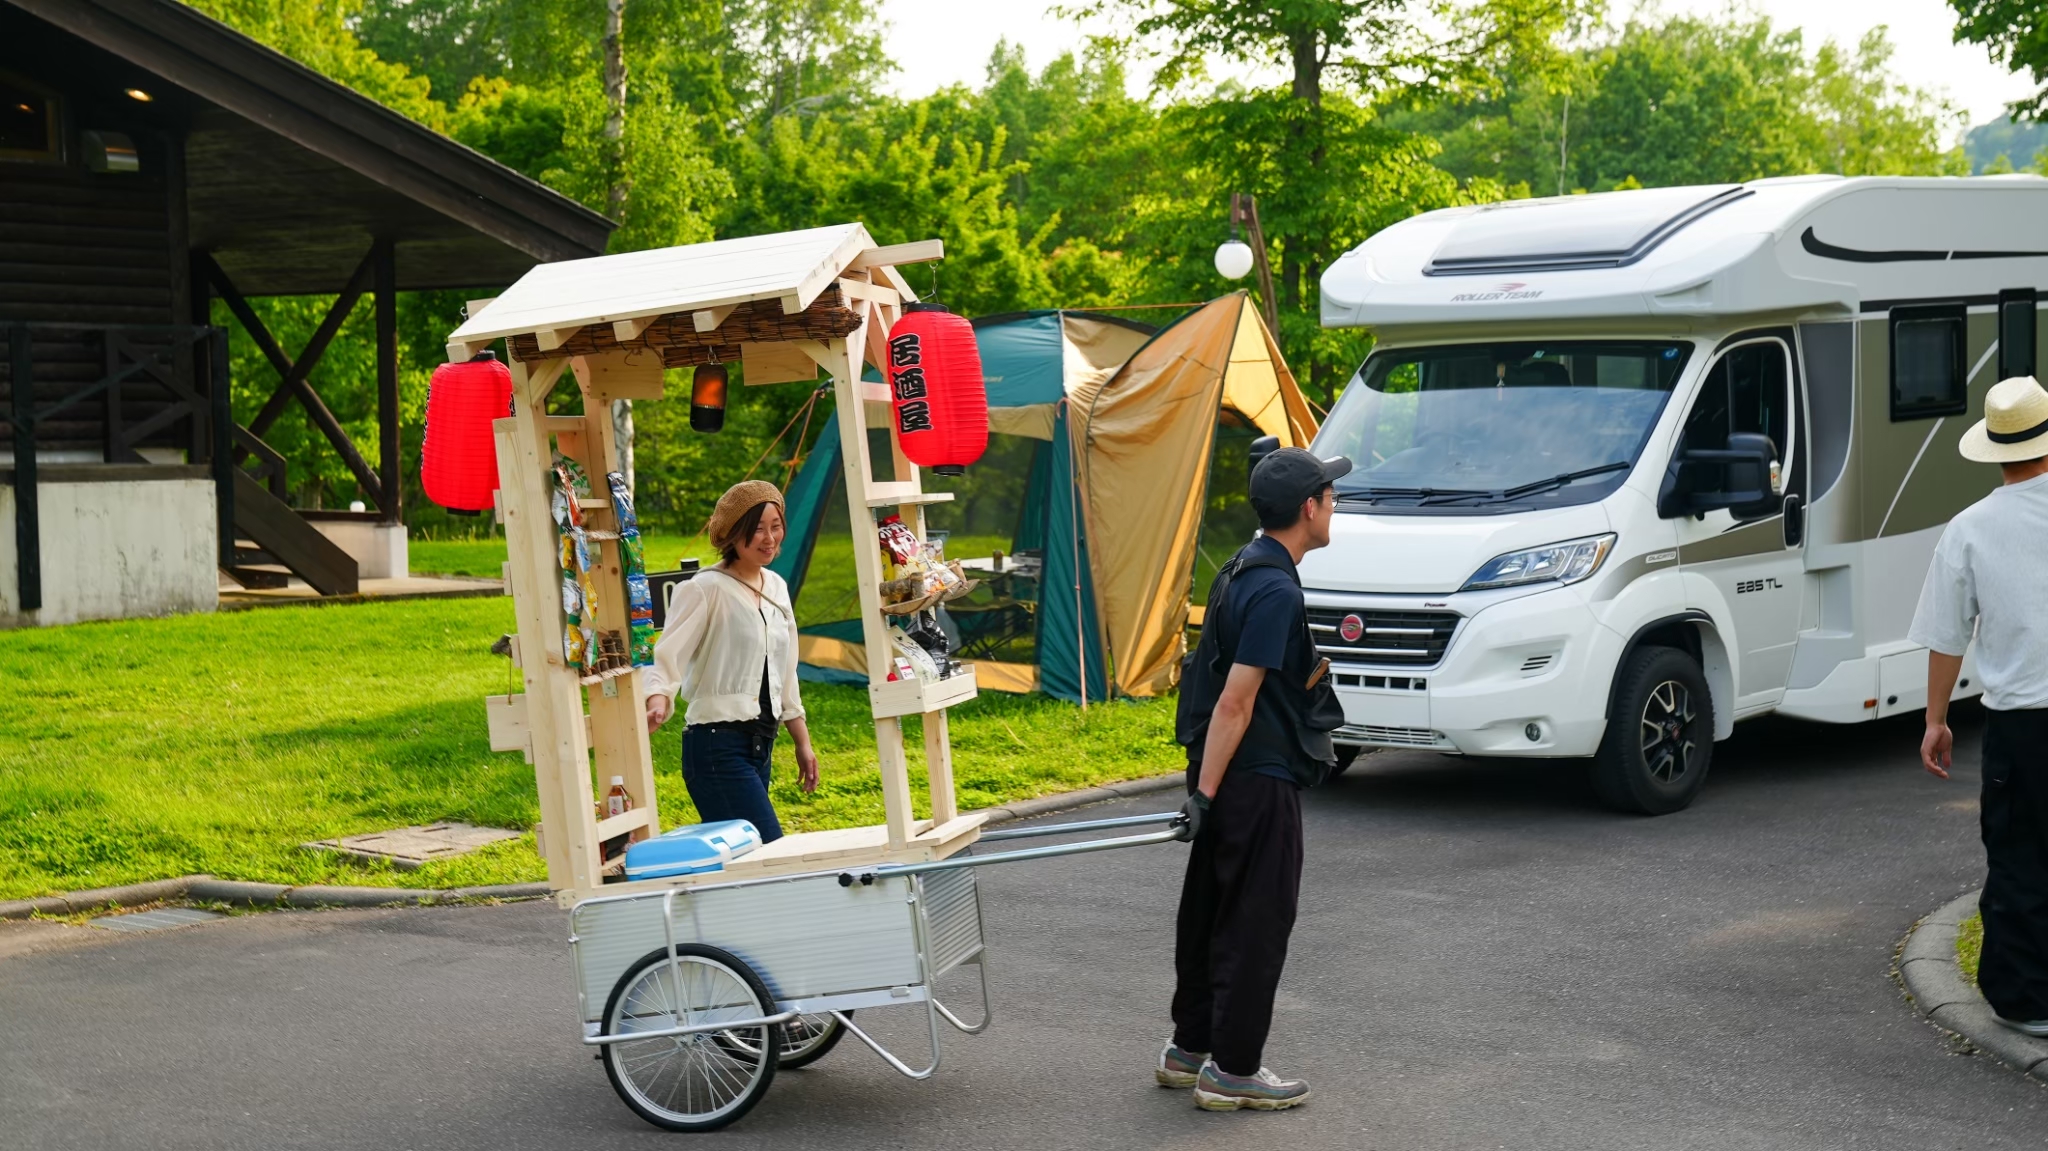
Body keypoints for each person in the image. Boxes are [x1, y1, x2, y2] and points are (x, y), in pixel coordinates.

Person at [1159, 446, 1350, 1111]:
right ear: (1308, 508)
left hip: (1223, 770)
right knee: (1258, 917)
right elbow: (1237, 699)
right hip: (1253, 776)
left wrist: (1204, 790)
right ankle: (1233, 1068)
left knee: (1210, 909)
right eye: (1330, 495)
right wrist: (1207, 795)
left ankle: (1191, 1047)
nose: (1336, 505)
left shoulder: (1242, 566)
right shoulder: (1273, 587)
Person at [1910, 374, 2048, 1038]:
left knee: (2021, 855)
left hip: (2022, 723)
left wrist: (1936, 719)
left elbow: (1944, 635)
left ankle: (2027, 1002)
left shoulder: (1969, 529)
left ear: (1994, 449)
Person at [644, 480, 819, 842]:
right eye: (756, 529)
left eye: (775, 526)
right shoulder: (704, 589)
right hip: (716, 746)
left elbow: (785, 673)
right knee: (766, 852)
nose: (769, 537)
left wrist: (802, 743)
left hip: (761, 744)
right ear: (733, 534)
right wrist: (658, 697)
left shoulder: (776, 587)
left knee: (744, 862)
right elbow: (666, 654)